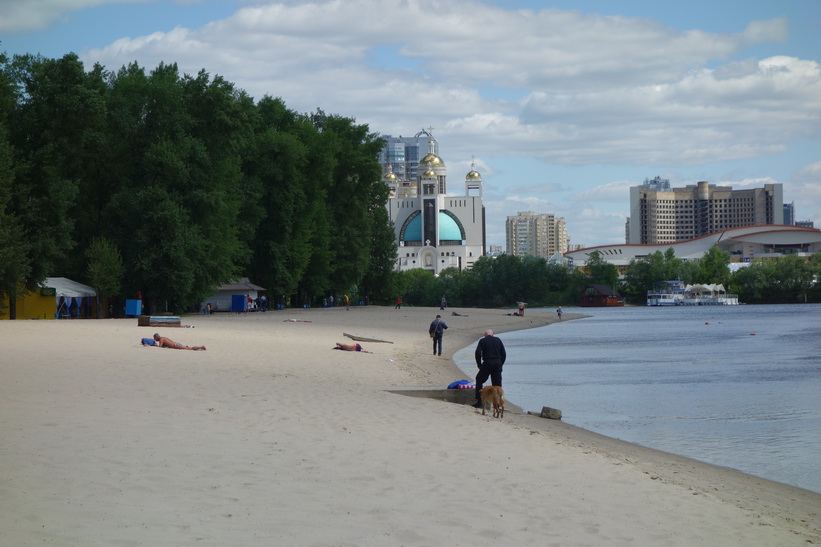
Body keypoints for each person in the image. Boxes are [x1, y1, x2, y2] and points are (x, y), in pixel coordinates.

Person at [473, 329, 506, 408]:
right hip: (497, 363)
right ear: (493, 334)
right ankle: (498, 404)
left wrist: (479, 364)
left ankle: (479, 402)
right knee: (497, 385)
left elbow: (477, 352)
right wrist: (501, 363)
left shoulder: (482, 341)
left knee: (479, 380)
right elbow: (504, 353)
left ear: (485, 335)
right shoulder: (498, 340)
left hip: (487, 362)